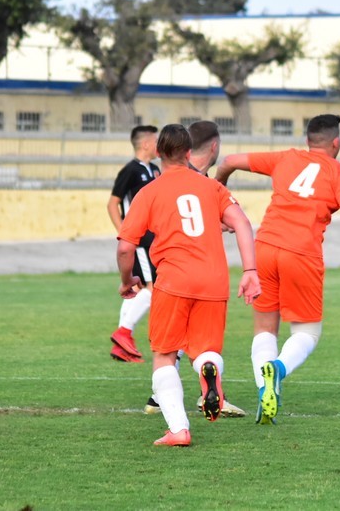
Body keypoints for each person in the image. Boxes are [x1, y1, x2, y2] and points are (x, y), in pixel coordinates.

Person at [214, 113, 340, 425]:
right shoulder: (338, 171)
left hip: (264, 247)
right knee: (307, 331)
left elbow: (228, 161)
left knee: (264, 328)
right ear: (336, 143)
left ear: (307, 140)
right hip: (301, 253)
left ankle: (265, 390)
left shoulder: (285, 158)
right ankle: (277, 370)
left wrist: (219, 191)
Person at [117, 123, 260, 447]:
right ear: (188, 152)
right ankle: (208, 367)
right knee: (206, 349)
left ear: (159, 152)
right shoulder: (211, 187)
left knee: (165, 355)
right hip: (214, 280)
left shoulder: (149, 192)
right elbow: (241, 222)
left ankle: (179, 429)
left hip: (173, 280)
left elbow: (126, 247)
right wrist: (250, 270)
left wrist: (128, 281)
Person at [142, 120, 248, 419]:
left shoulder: (174, 179)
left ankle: (164, 402)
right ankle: (186, 393)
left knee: (169, 343)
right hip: (202, 271)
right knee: (194, 342)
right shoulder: (201, 182)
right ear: (213, 147)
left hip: (171, 269)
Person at [107, 125, 161, 362]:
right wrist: (125, 233)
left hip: (153, 239)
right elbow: (112, 203)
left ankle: (121, 347)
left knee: (137, 289)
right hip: (140, 240)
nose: (159, 145)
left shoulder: (156, 170)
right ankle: (124, 333)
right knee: (152, 288)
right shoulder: (130, 170)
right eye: (156, 140)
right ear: (146, 144)